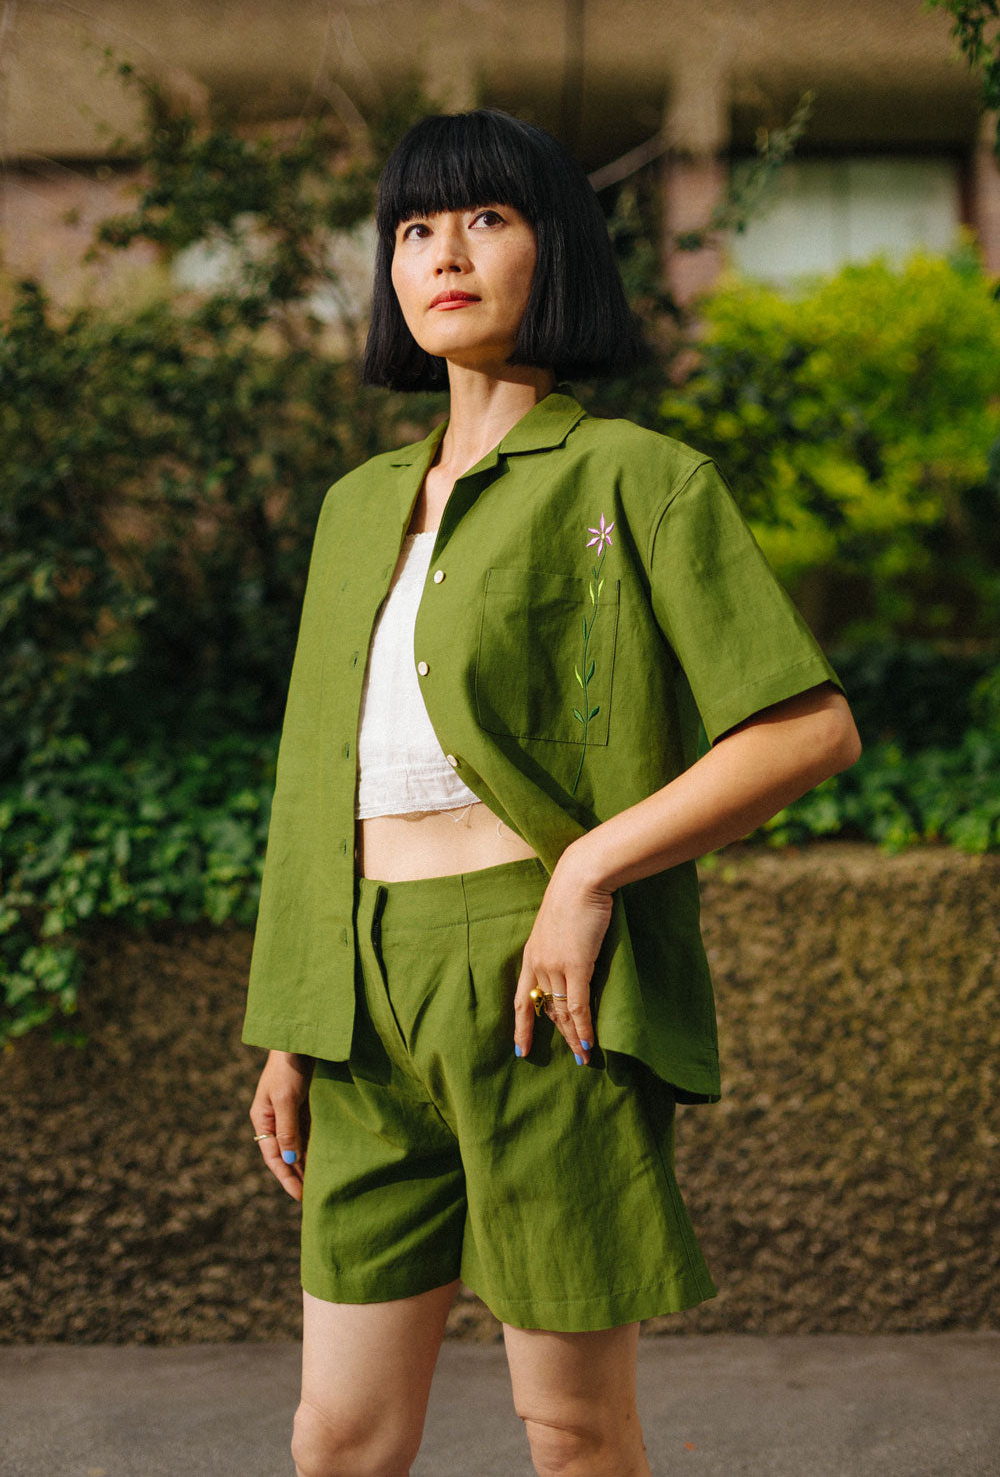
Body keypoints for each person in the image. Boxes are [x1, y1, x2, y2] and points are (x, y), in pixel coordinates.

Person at [244, 108, 861, 1477]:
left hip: (537, 973)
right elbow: (314, 775)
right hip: (357, 1001)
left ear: (555, 251)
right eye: (414, 227)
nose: (443, 253)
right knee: (336, 1436)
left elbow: (809, 730)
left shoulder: (634, 478)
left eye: (487, 218)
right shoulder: (357, 507)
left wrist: (587, 875)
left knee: (571, 1430)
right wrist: (290, 1024)